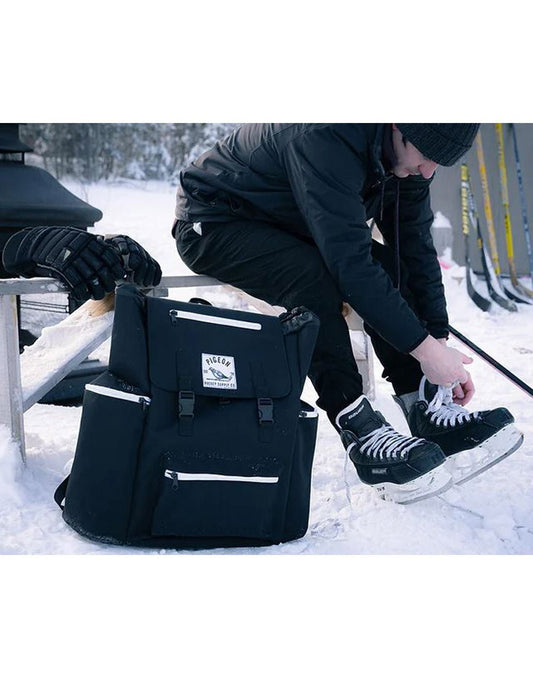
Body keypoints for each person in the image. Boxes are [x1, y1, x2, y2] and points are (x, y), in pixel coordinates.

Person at [173, 123, 523, 504]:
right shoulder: (325, 134)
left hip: (292, 221)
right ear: (398, 126)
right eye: (426, 158)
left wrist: (436, 339)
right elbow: (349, 265)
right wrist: (425, 351)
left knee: (388, 265)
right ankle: (358, 426)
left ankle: (421, 405)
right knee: (311, 278)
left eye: (439, 163)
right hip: (216, 220)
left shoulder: (409, 152)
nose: (428, 172)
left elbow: (415, 248)